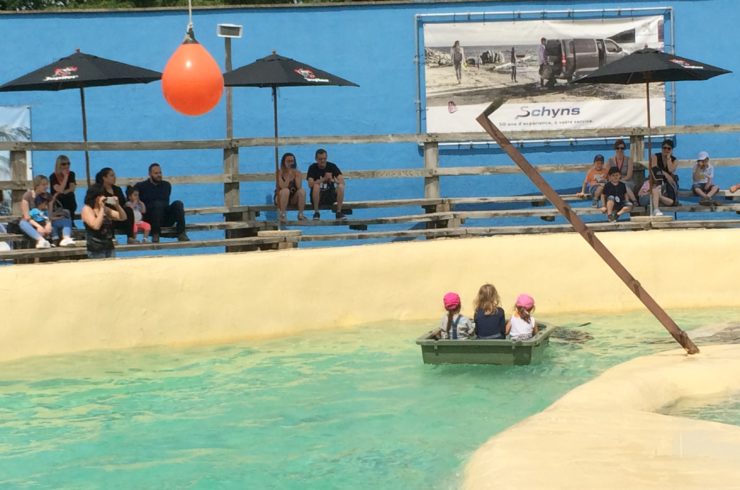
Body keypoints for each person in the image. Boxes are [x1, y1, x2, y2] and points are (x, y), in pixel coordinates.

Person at [134, 163, 189, 243]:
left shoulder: (166, 185)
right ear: (150, 174)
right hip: (150, 218)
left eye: (160, 173)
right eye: (156, 173)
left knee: (178, 204)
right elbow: (131, 196)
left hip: (164, 217)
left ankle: (181, 233)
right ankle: (155, 234)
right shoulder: (141, 186)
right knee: (157, 204)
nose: (159, 175)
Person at [19, 175, 75, 248]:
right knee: (23, 223)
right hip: (33, 223)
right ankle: (41, 240)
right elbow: (27, 217)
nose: (46, 187)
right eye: (43, 185)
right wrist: (39, 226)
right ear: (37, 185)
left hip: (44, 221)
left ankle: (66, 238)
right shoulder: (27, 196)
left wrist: (48, 223)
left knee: (66, 220)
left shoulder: (48, 196)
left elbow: (49, 214)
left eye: (47, 184)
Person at [81, 183, 126, 259]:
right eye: (101, 195)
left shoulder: (105, 209)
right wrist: (101, 209)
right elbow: (96, 226)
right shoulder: (87, 209)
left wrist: (117, 206)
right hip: (96, 248)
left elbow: (123, 217)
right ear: (96, 197)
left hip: (109, 246)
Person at [96, 167, 136, 244]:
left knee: (129, 210)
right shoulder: (100, 190)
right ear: (104, 178)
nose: (114, 177)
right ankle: (111, 238)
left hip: (120, 217)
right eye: (112, 175)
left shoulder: (117, 189)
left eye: (114, 175)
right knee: (107, 216)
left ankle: (130, 237)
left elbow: (123, 203)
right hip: (108, 218)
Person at [306, 149, 346, 220]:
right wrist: (323, 179)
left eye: (324, 158)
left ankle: (339, 212)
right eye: (320, 159)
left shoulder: (332, 166)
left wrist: (333, 180)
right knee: (316, 186)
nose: (323, 161)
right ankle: (316, 212)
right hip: (318, 196)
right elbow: (310, 184)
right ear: (316, 159)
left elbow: (342, 182)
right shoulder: (312, 168)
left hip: (330, 194)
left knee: (341, 187)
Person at [650, 139, 679, 216]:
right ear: (661, 148)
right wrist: (665, 174)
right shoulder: (655, 156)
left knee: (671, 202)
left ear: (672, 150)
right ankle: (656, 209)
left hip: (668, 182)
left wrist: (668, 158)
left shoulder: (675, 160)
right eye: (664, 148)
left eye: (669, 148)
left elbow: (671, 170)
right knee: (655, 187)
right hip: (657, 179)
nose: (666, 150)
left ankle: (659, 197)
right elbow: (654, 168)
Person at [275, 152, 307, 223]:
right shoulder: (279, 173)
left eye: (292, 161)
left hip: (292, 198)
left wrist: (296, 175)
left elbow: (299, 187)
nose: (290, 163)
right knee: (286, 191)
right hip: (280, 197)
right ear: (284, 162)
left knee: (302, 191)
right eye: (288, 161)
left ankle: (300, 214)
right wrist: (289, 176)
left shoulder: (297, 172)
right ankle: (282, 214)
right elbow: (283, 186)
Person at [48, 154, 77, 221]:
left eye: (68, 163)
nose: (67, 166)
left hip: (68, 200)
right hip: (57, 201)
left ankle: (71, 221)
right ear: (58, 165)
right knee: (63, 196)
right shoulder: (53, 176)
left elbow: (72, 188)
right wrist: (66, 177)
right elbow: (60, 190)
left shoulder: (71, 174)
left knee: (70, 195)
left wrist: (63, 192)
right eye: (64, 164)